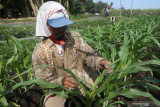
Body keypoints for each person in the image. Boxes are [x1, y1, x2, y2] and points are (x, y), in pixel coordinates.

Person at [32, 1, 113, 107]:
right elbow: (43, 81)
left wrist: (100, 62)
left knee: (105, 89)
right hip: (57, 89)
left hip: (81, 79)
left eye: (63, 25)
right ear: (45, 24)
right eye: (55, 26)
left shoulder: (74, 38)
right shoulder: (40, 51)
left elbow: (88, 56)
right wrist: (61, 82)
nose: (61, 30)